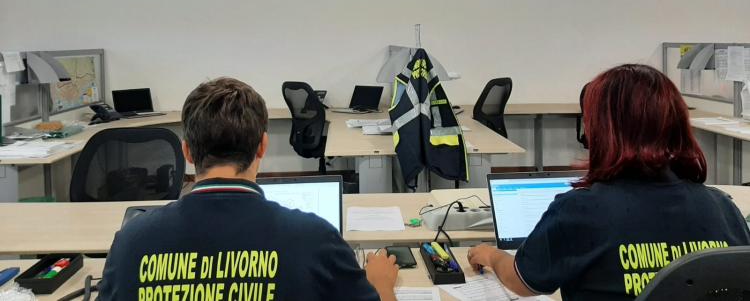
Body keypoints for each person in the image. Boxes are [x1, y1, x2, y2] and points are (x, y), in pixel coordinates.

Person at [98, 77, 399, 301]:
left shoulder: (131, 243)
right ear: (263, 146)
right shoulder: (315, 239)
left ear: (187, 153)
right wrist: (381, 284)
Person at [467, 64, 750, 300]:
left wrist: (491, 255)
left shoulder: (580, 210)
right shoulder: (722, 208)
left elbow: (521, 283)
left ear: (598, 130)